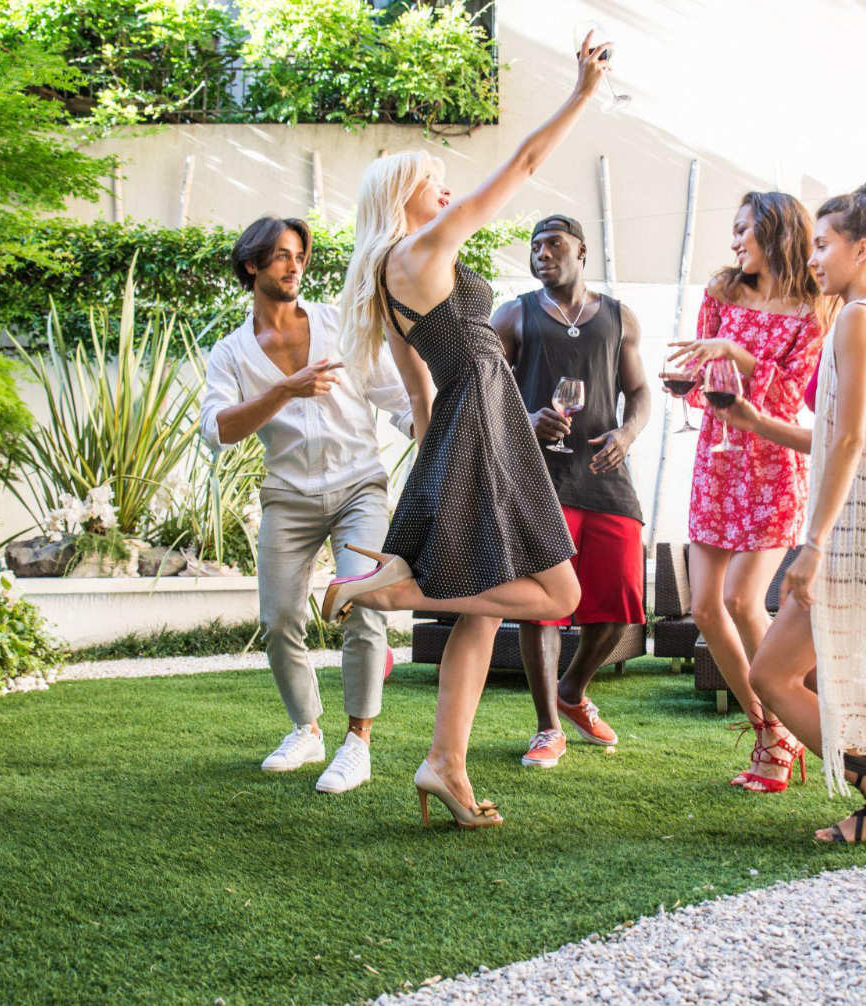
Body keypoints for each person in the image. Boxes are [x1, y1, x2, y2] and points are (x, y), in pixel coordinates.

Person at [322, 35, 615, 828]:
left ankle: (444, 764)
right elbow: (519, 168)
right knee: (561, 590)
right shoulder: (420, 247)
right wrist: (581, 93)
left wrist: (433, 478)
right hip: (485, 414)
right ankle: (402, 591)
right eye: (434, 182)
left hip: (464, 418)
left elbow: (422, 390)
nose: (447, 192)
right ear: (404, 195)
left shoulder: (389, 275)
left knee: (486, 608)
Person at [736, 175, 866, 843]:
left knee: (770, 674)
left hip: (864, 532)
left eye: (824, 245)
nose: (814, 257)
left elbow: (850, 439)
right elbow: (838, 436)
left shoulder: (857, 319)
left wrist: (814, 542)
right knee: (854, 674)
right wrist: (754, 420)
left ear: (862, 250)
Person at [199, 215, 411, 795]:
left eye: (299, 255)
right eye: (281, 256)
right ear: (252, 266)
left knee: (363, 602)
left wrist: (440, 425)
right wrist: (283, 391)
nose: (295, 266)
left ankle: (357, 743)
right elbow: (216, 430)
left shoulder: (337, 323)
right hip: (288, 498)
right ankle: (306, 729)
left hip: (359, 486)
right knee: (278, 620)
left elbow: (394, 395)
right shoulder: (233, 353)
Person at [666, 192, 832, 793]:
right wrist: (688, 380)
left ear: (778, 232)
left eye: (746, 230)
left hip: (771, 467)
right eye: (733, 229)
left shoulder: (814, 313)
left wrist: (741, 354)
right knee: (705, 606)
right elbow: (700, 382)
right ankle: (768, 729)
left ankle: (785, 721)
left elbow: (794, 400)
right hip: (718, 460)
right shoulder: (721, 292)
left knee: (741, 599)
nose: (735, 241)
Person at [492, 214, 650, 769]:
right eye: (535, 246)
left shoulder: (617, 316)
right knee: (542, 608)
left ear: (581, 250)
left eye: (553, 244)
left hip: (607, 478)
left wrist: (628, 435)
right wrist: (524, 419)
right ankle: (547, 728)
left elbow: (639, 391)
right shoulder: (513, 314)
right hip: (539, 481)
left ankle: (572, 690)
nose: (541, 253)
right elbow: (484, 390)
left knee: (623, 602)